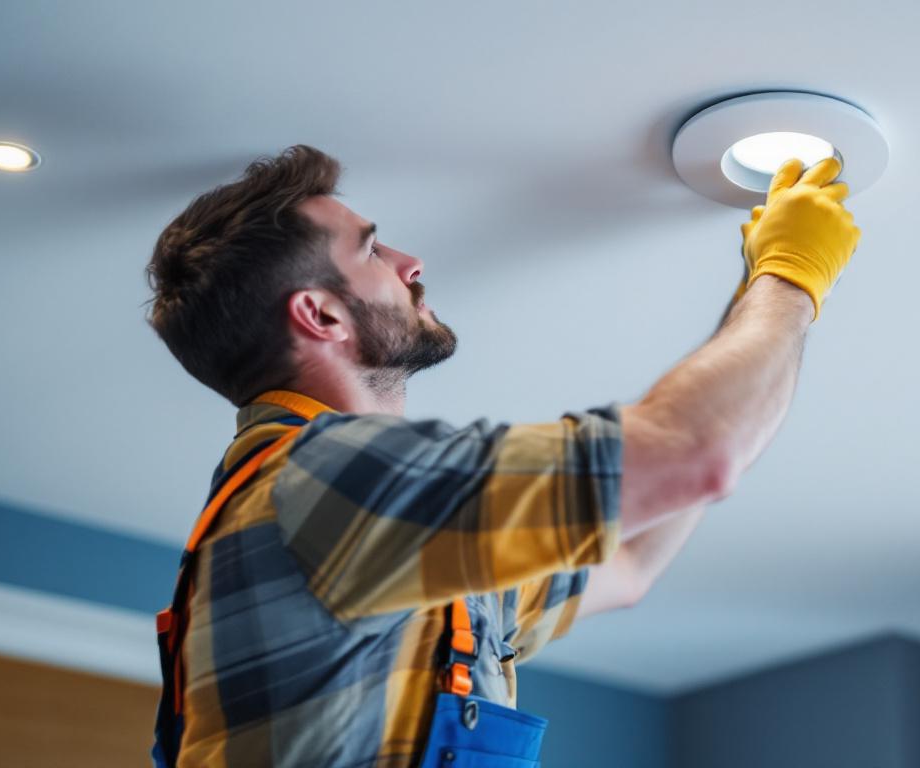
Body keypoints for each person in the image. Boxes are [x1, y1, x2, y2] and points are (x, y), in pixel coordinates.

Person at [144, 144, 859, 767]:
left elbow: (631, 560)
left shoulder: (387, 534)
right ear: (321, 314)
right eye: (371, 250)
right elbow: (696, 455)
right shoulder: (323, 479)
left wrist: (758, 301)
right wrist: (789, 279)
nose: (410, 263)